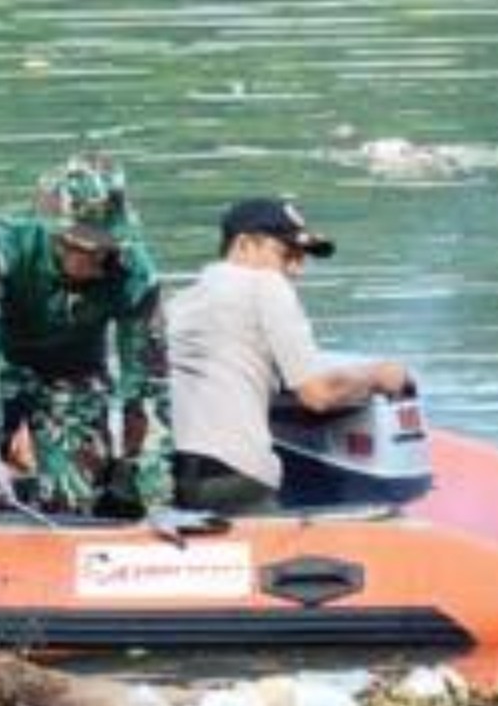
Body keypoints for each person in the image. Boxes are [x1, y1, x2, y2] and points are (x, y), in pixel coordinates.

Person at [0, 154, 169, 517]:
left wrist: (157, 497)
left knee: (77, 491)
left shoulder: (134, 273)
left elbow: (146, 384)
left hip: (73, 374)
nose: (100, 260)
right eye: (85, 249)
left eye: (107, 247)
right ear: (57, 237)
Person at [165, 198, 414, 514]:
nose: (296, 270)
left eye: (302, 258)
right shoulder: (266, 286)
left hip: (180, 477)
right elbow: (317, 394)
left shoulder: (181, 302)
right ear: (244, 245)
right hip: (239, 476)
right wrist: (378, 375)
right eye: (287, 255)